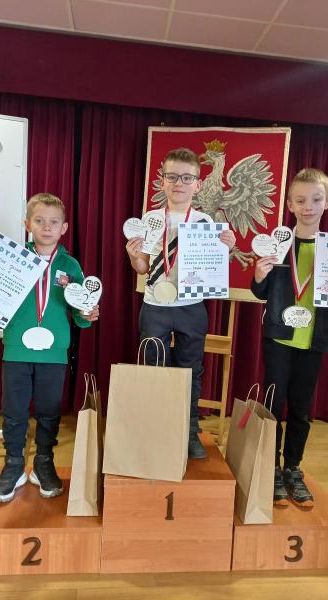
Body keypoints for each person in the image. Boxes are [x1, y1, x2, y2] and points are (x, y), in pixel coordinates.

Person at [0, 193, 99, 503]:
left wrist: (86, 315)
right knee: (14, 411)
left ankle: (44, 462)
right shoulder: (12, 260)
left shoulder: (70, 266)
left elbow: (78, 310)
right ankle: (14, 465)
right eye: (39, 221)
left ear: (64, 228)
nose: (46, 227)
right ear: (27, 224)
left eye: (54, 222)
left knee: (49, 412)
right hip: (16, 351)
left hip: (54, 353)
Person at [251, 168, 328, 507]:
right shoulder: (278, 245)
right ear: (290, 204)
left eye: (316, 199)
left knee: (302, 409)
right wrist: (259, 275)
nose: (309, 207)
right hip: (279, 338)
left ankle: (292, 467)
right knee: (273, 406)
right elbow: (260, 292)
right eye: (301, 200)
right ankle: (270, 469)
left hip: (313, 341)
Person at [126, 148, 235, 459]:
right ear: (162, 181)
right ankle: (157, 429)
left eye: (187, 178)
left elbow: (213, 267)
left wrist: (226, 250)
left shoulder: (204, 221)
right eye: (172, 177)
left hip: (191, 306)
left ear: (197, 185)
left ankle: (189, 431)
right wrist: (133, 256)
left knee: (191, 370)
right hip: (155, 306)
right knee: (154, 368)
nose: (179, 183)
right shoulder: (149, 219)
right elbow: (143, 268)